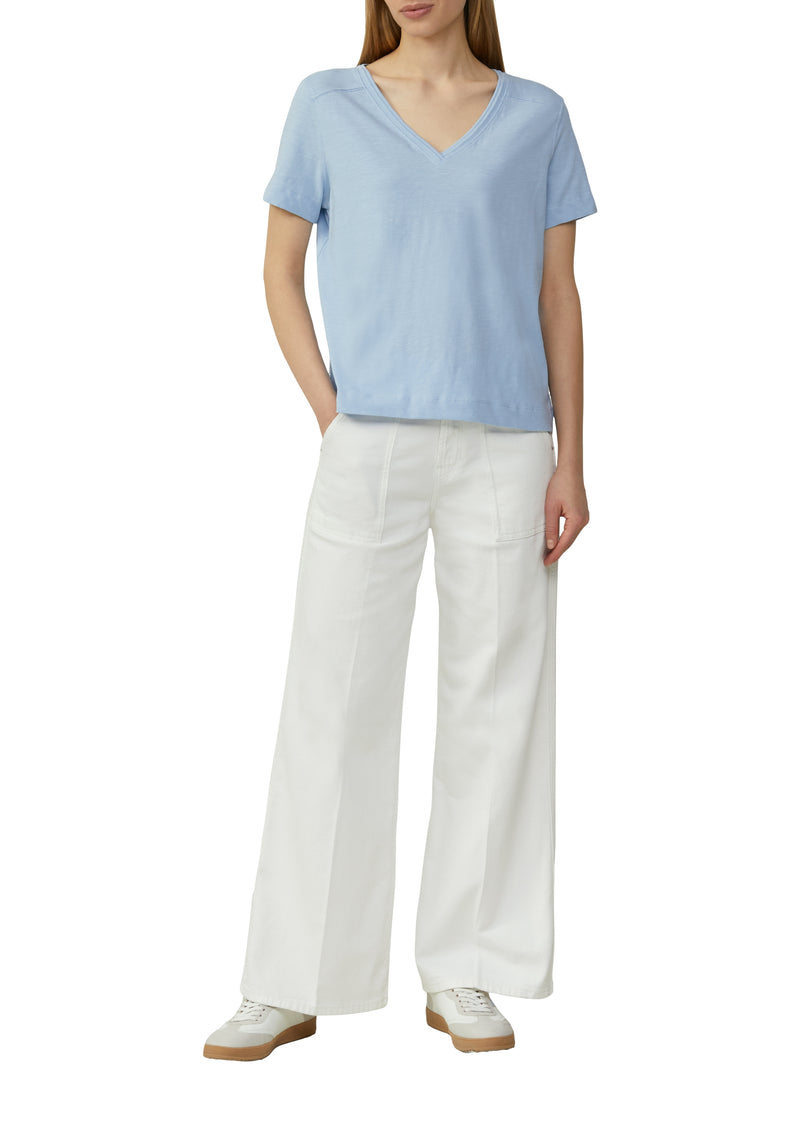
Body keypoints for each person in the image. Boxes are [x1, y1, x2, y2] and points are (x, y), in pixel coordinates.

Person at [204, 0, 596, 1060]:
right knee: (331, 699)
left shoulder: (537, 116)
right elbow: (278, 272)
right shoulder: (326, 104)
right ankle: (289, 979)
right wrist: (330, 411)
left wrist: (571, 456)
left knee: (496, 704)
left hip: (507, 444)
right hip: (366, 440)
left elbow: (557, 295)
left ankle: (464, 966)